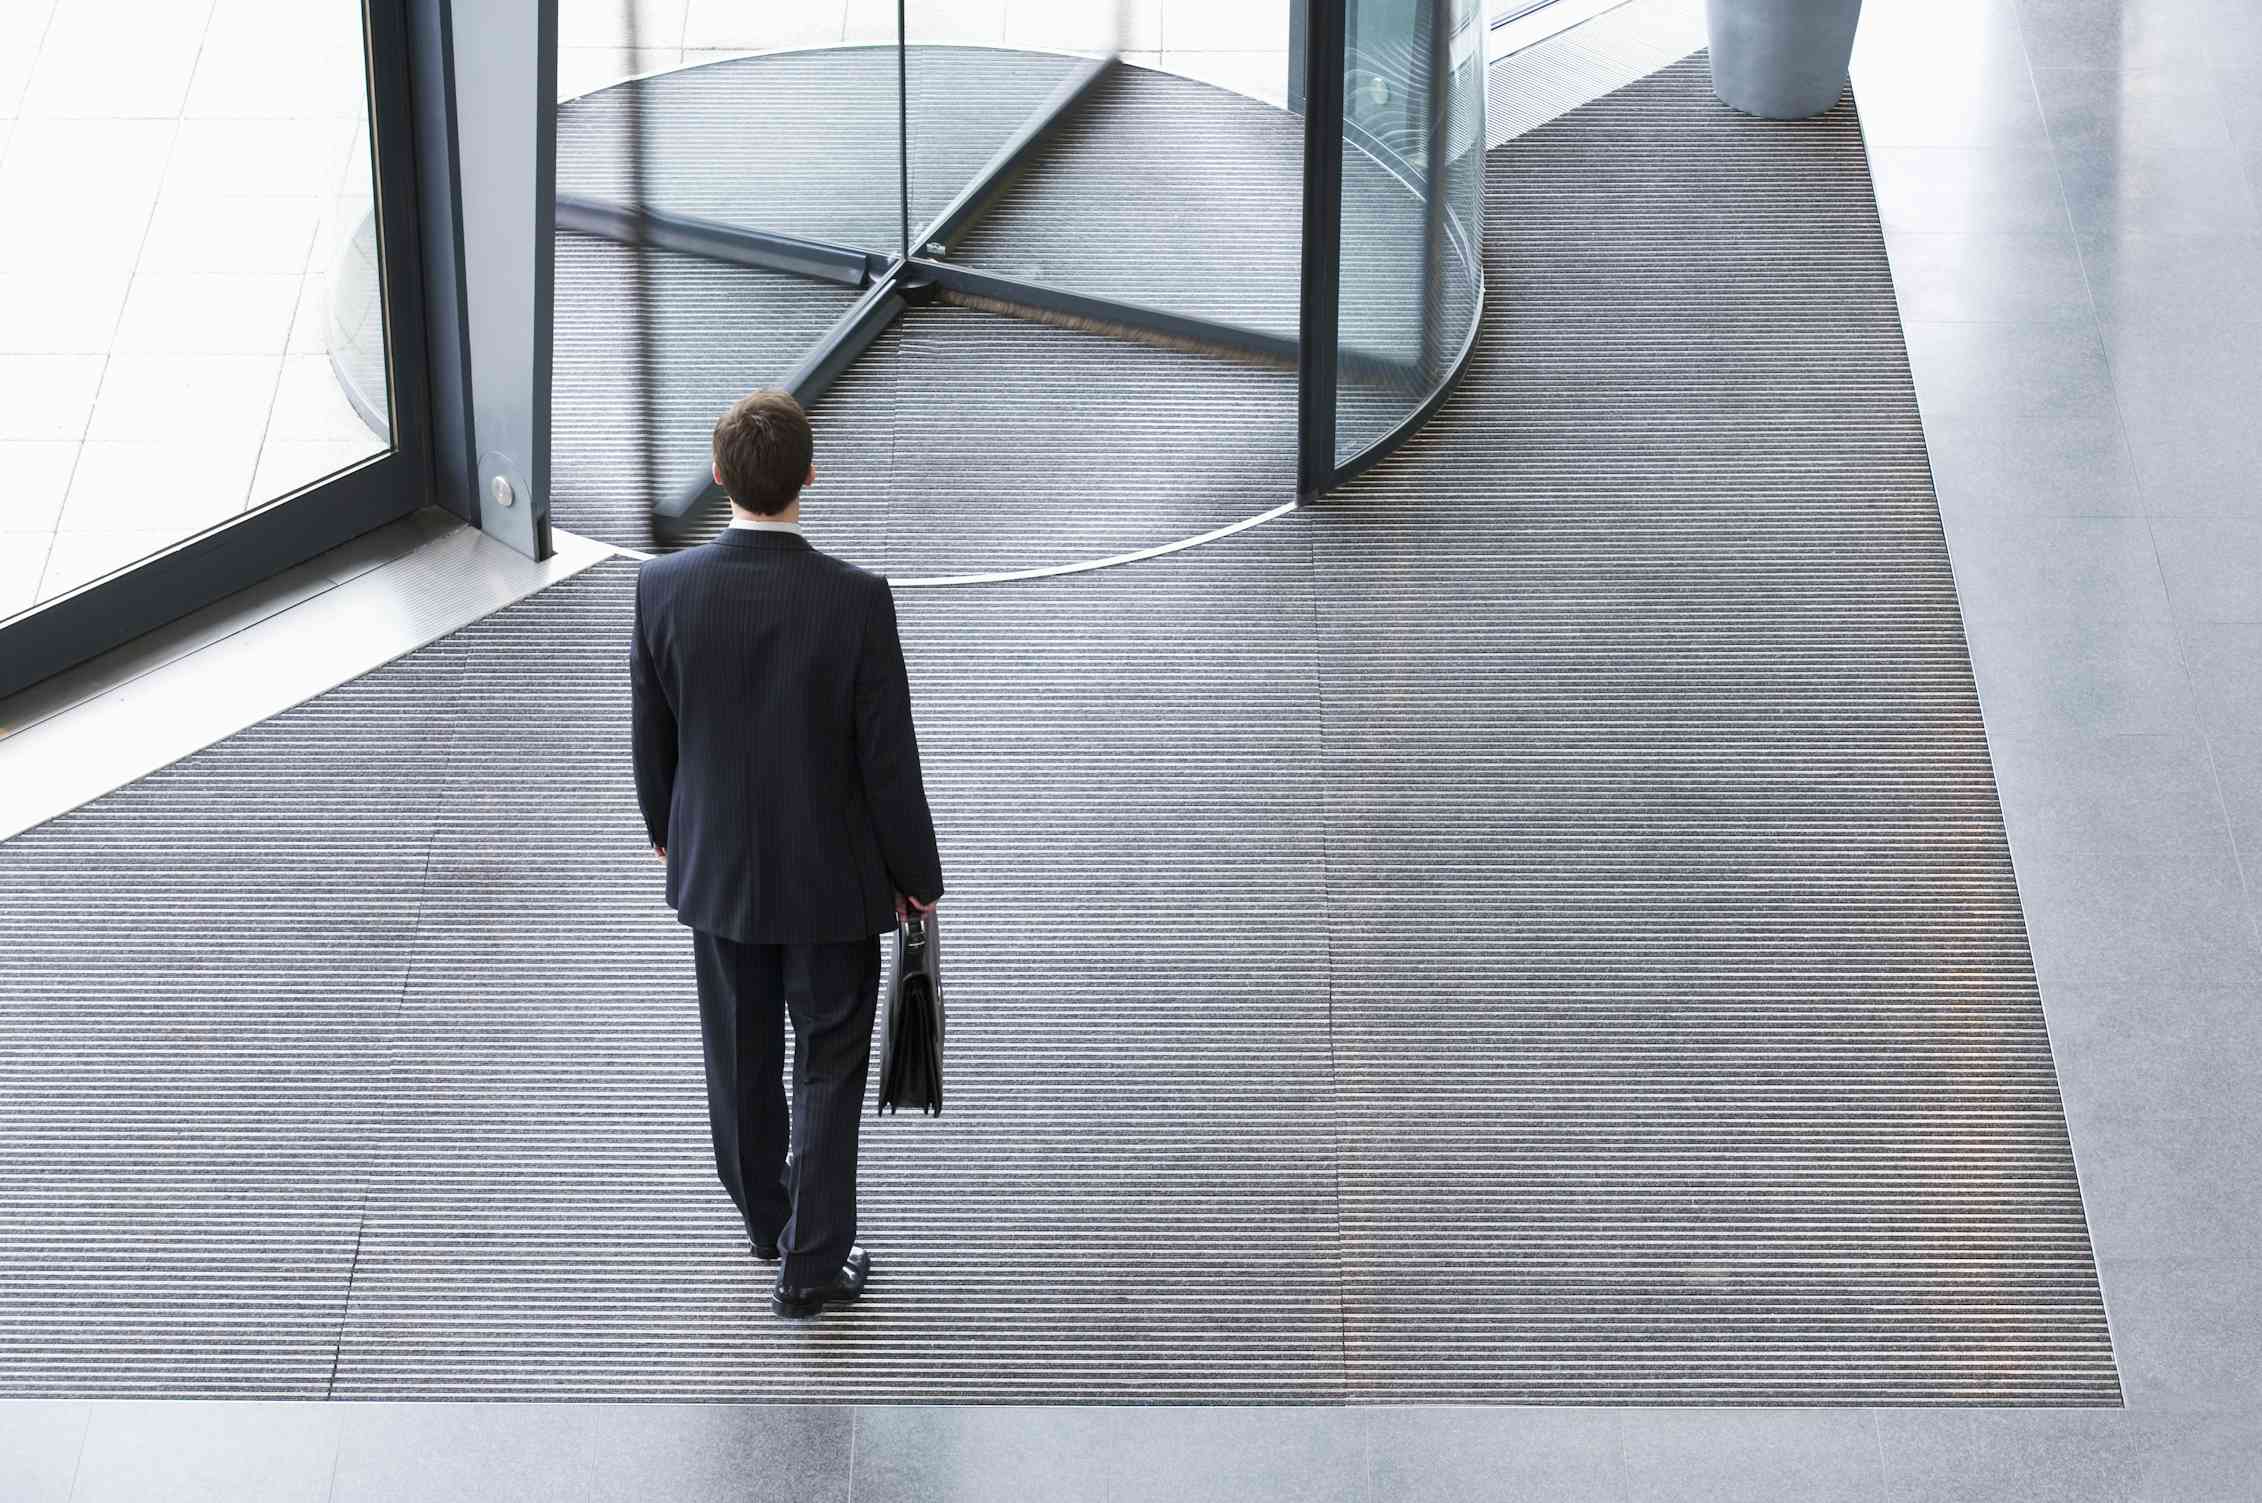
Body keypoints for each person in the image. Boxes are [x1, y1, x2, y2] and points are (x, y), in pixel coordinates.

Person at [629, 389, 944, 1320]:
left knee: (738, 1055)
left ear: (719, 477)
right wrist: (917, 879)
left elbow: (654, 738)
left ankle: (767, 1220)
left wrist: (666, 833)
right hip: (833, 881)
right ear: (810, 474)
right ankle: (811, 1259)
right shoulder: (855, 601)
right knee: (830, 1059)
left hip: (719, 873)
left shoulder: (663, 589)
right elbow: (889, 762)